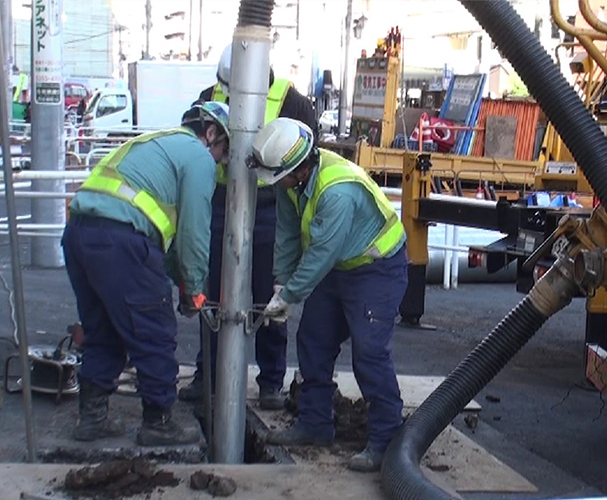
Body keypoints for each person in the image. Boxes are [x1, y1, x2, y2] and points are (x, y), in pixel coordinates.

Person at [62, 102, 231, 446]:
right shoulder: (198, 158)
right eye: (222, 153)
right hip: (121, 240)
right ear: (211, 133)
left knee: (104, 329)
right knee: (154, 330)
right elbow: (194, 234)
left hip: (81, 234)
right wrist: (195, 289)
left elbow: (163, 241)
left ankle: (91, 419)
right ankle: (159, 423)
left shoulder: (156, 144)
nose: (219, 162)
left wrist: (181, 283)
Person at [249, 118, 407, 472]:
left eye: (278, 177)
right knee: (314, 341)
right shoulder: (290, 183)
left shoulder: (337, 192)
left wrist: (289, 295)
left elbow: (321, 254)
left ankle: (386, 441)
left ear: (297, 170)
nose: (275, 184)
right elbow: (287, 234)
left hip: (375, 269)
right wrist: (280, 282)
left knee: (369, 353)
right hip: (339, 267)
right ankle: (315, 423)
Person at [178, 43, 317, 410]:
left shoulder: (291, 100)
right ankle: (208, 374)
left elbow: (305, 153)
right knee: (213, 290)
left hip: (272, 205)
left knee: (268, 295)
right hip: (221, 201)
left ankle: (270, 382)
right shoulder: (211, 94)